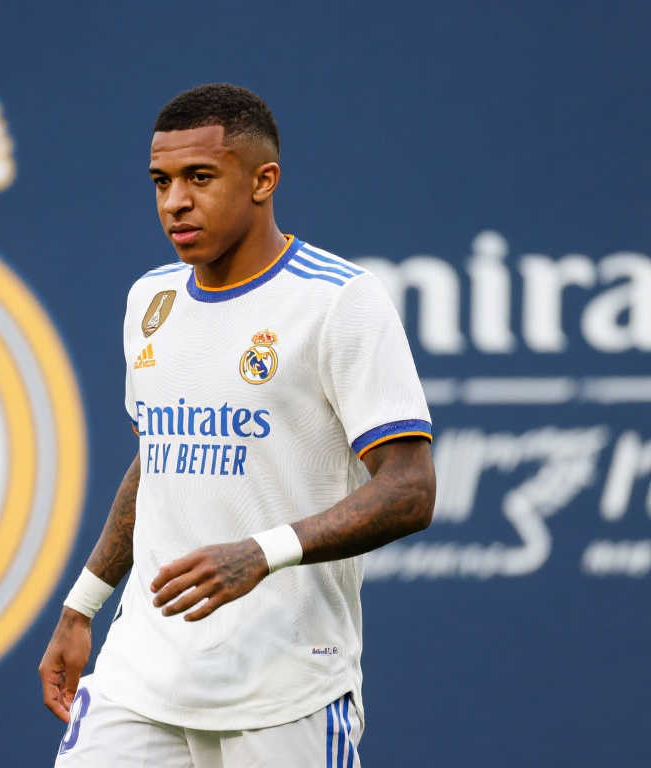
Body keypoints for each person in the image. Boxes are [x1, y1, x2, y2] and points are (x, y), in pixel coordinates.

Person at [39, 83, 436, 767]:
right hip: (141, 678)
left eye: (200, 177)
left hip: (285, 689)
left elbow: (410, 489)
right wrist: (83, 604)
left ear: (263, 180)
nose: (174, 202)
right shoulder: (151, 299)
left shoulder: (339, 301)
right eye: (161, 181)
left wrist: (261, 552)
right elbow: (156, 463)